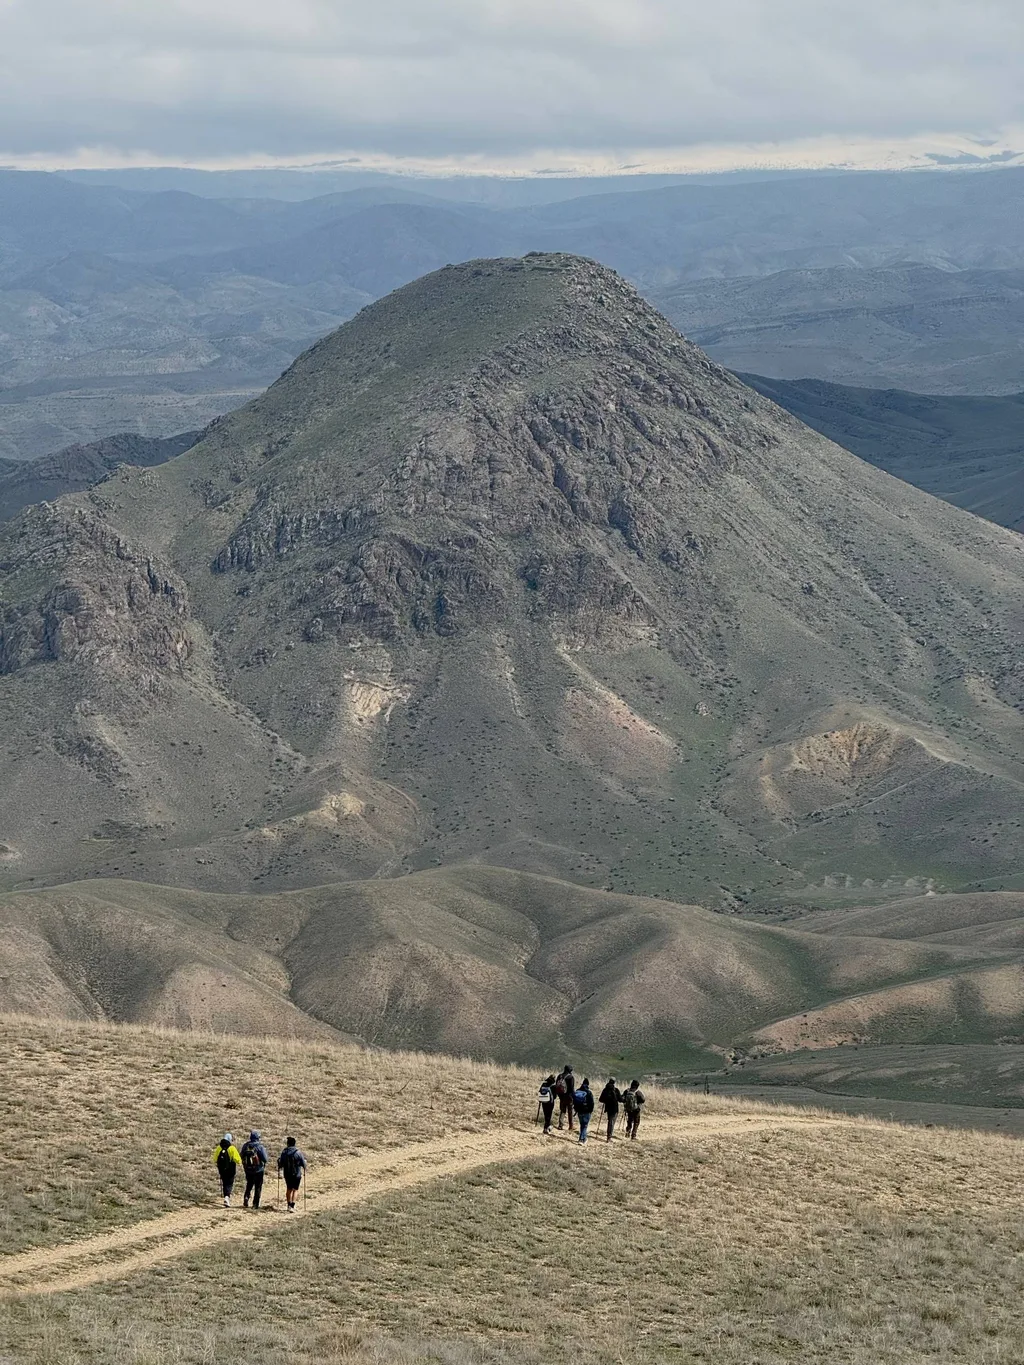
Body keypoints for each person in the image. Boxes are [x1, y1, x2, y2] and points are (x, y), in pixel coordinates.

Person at [240, 1129, 268, 1209]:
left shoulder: (245, 1145)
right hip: (258, 1170)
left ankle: (246, 1197)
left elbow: (241, 1155)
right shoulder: (260, 1147)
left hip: (248, 1169)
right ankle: (255, 1204)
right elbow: (265, 1159)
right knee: (258, 1186)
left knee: (249, 1184)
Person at [278, 1135, 307, 1212]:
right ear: (294, 1143)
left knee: (289, 1189)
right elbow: (303, 1164)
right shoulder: (298, 1152)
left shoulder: (284, 1152)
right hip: (297, 1174)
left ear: (287, 1143)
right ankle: (292, 1206)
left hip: (287, 1174)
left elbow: (281, 1163)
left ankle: (288, 1205)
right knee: (295, 1190)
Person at [213, 1132, 242, 1207]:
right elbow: (237, 1159)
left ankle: (226, 1195)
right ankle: (227, 1197)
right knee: (229, 1183)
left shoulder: (219, 1148)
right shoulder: (232, 1148)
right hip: (231, 1169)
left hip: (221, 1169)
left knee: (224, 1182)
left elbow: (215, 1159)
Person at [598, 1077, 621, 1142]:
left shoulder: (605, 1089)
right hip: (615, 1108)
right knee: (611, 1122)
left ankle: (609, 1136)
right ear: (614, 1082)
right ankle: (609, 1137)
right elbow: (620, 1099)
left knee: (610, 1121)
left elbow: (600, 1099)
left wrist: (606, 1101)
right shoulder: (616, 1090)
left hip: (608, 1108)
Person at [573, 1077, 595, 1144]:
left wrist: (576, 1109)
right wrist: (590, 1111)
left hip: (579, 1111)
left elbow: (574, 1101)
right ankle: (581, 1140)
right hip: (586, 1111)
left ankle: (583, 1138)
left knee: (582, 1125)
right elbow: (592, 1103)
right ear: (588, 1085)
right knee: (585, 1126)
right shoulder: (589, 1092)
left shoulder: (577, 1091)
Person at [556, 1064, 575, 1132]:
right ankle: (571, 1126)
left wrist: (559, 1095)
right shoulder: (570, 1077)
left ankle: (560, 1125)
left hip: (562, 1096)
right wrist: (573, 1096)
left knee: (562, 1111)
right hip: (569, 1097)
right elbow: (572, 1088)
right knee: (570, 1111)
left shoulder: (559, 1076)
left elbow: (556, 1086)